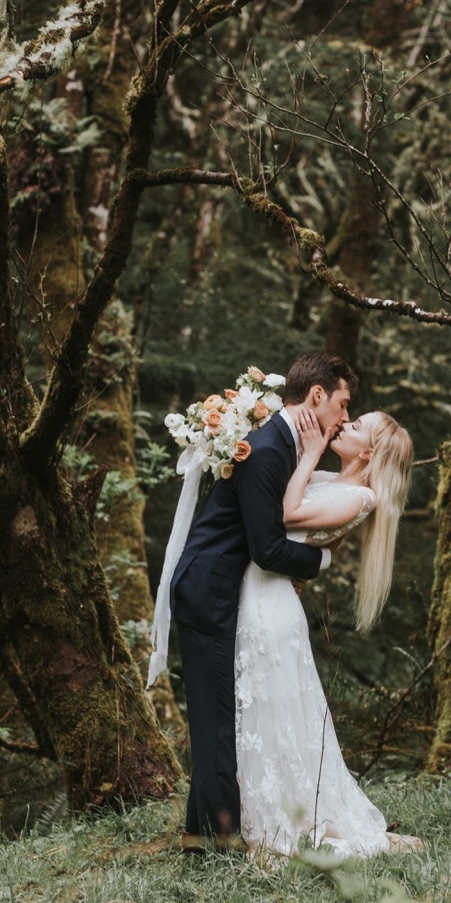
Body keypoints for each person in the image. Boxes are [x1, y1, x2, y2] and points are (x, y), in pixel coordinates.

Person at [168, 352, 355, 846]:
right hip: (208, 589)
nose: (345, 418)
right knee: (214, 718)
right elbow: (269, 549)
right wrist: (324, 563)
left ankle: (206, 828)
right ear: (318, 396)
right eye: (342, 403)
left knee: (219, 711)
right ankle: (213, 836)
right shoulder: (270, 448)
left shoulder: (283, 443)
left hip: (223, 587)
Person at [234, 406, 419, 858]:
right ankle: (257, 811)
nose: (345, 424)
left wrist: (312, 452)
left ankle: (276, 823)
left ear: (369, 451)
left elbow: (284, 514)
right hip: (260, 595)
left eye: (357, 427)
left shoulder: (360, 497)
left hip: (271, 608)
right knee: (267, 713)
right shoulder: (337, 484)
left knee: (270, 711)